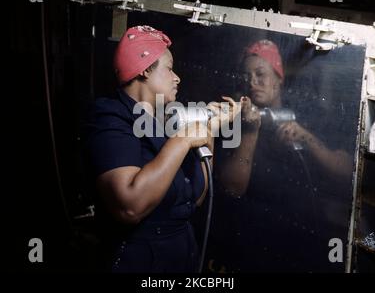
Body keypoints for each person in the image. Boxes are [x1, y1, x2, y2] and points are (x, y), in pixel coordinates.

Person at [84, 25, 238, 273]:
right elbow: (129, 206)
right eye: (169, 68)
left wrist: (209, 132)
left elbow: (194, 200)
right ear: (145, 69)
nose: (177, 77)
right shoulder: (111, 118)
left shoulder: (163, 123)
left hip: (181, 255)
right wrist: (182, 140)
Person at [215, 39, 353, 272]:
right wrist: (251, 130)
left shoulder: (307, 113)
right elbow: (232, 188)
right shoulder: (233, 121)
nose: (252, 83)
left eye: (260, 74)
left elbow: (347, 171)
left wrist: (307, 138)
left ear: (279, 79)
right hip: (255, 238)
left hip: (305, 235)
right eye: (246, 76)